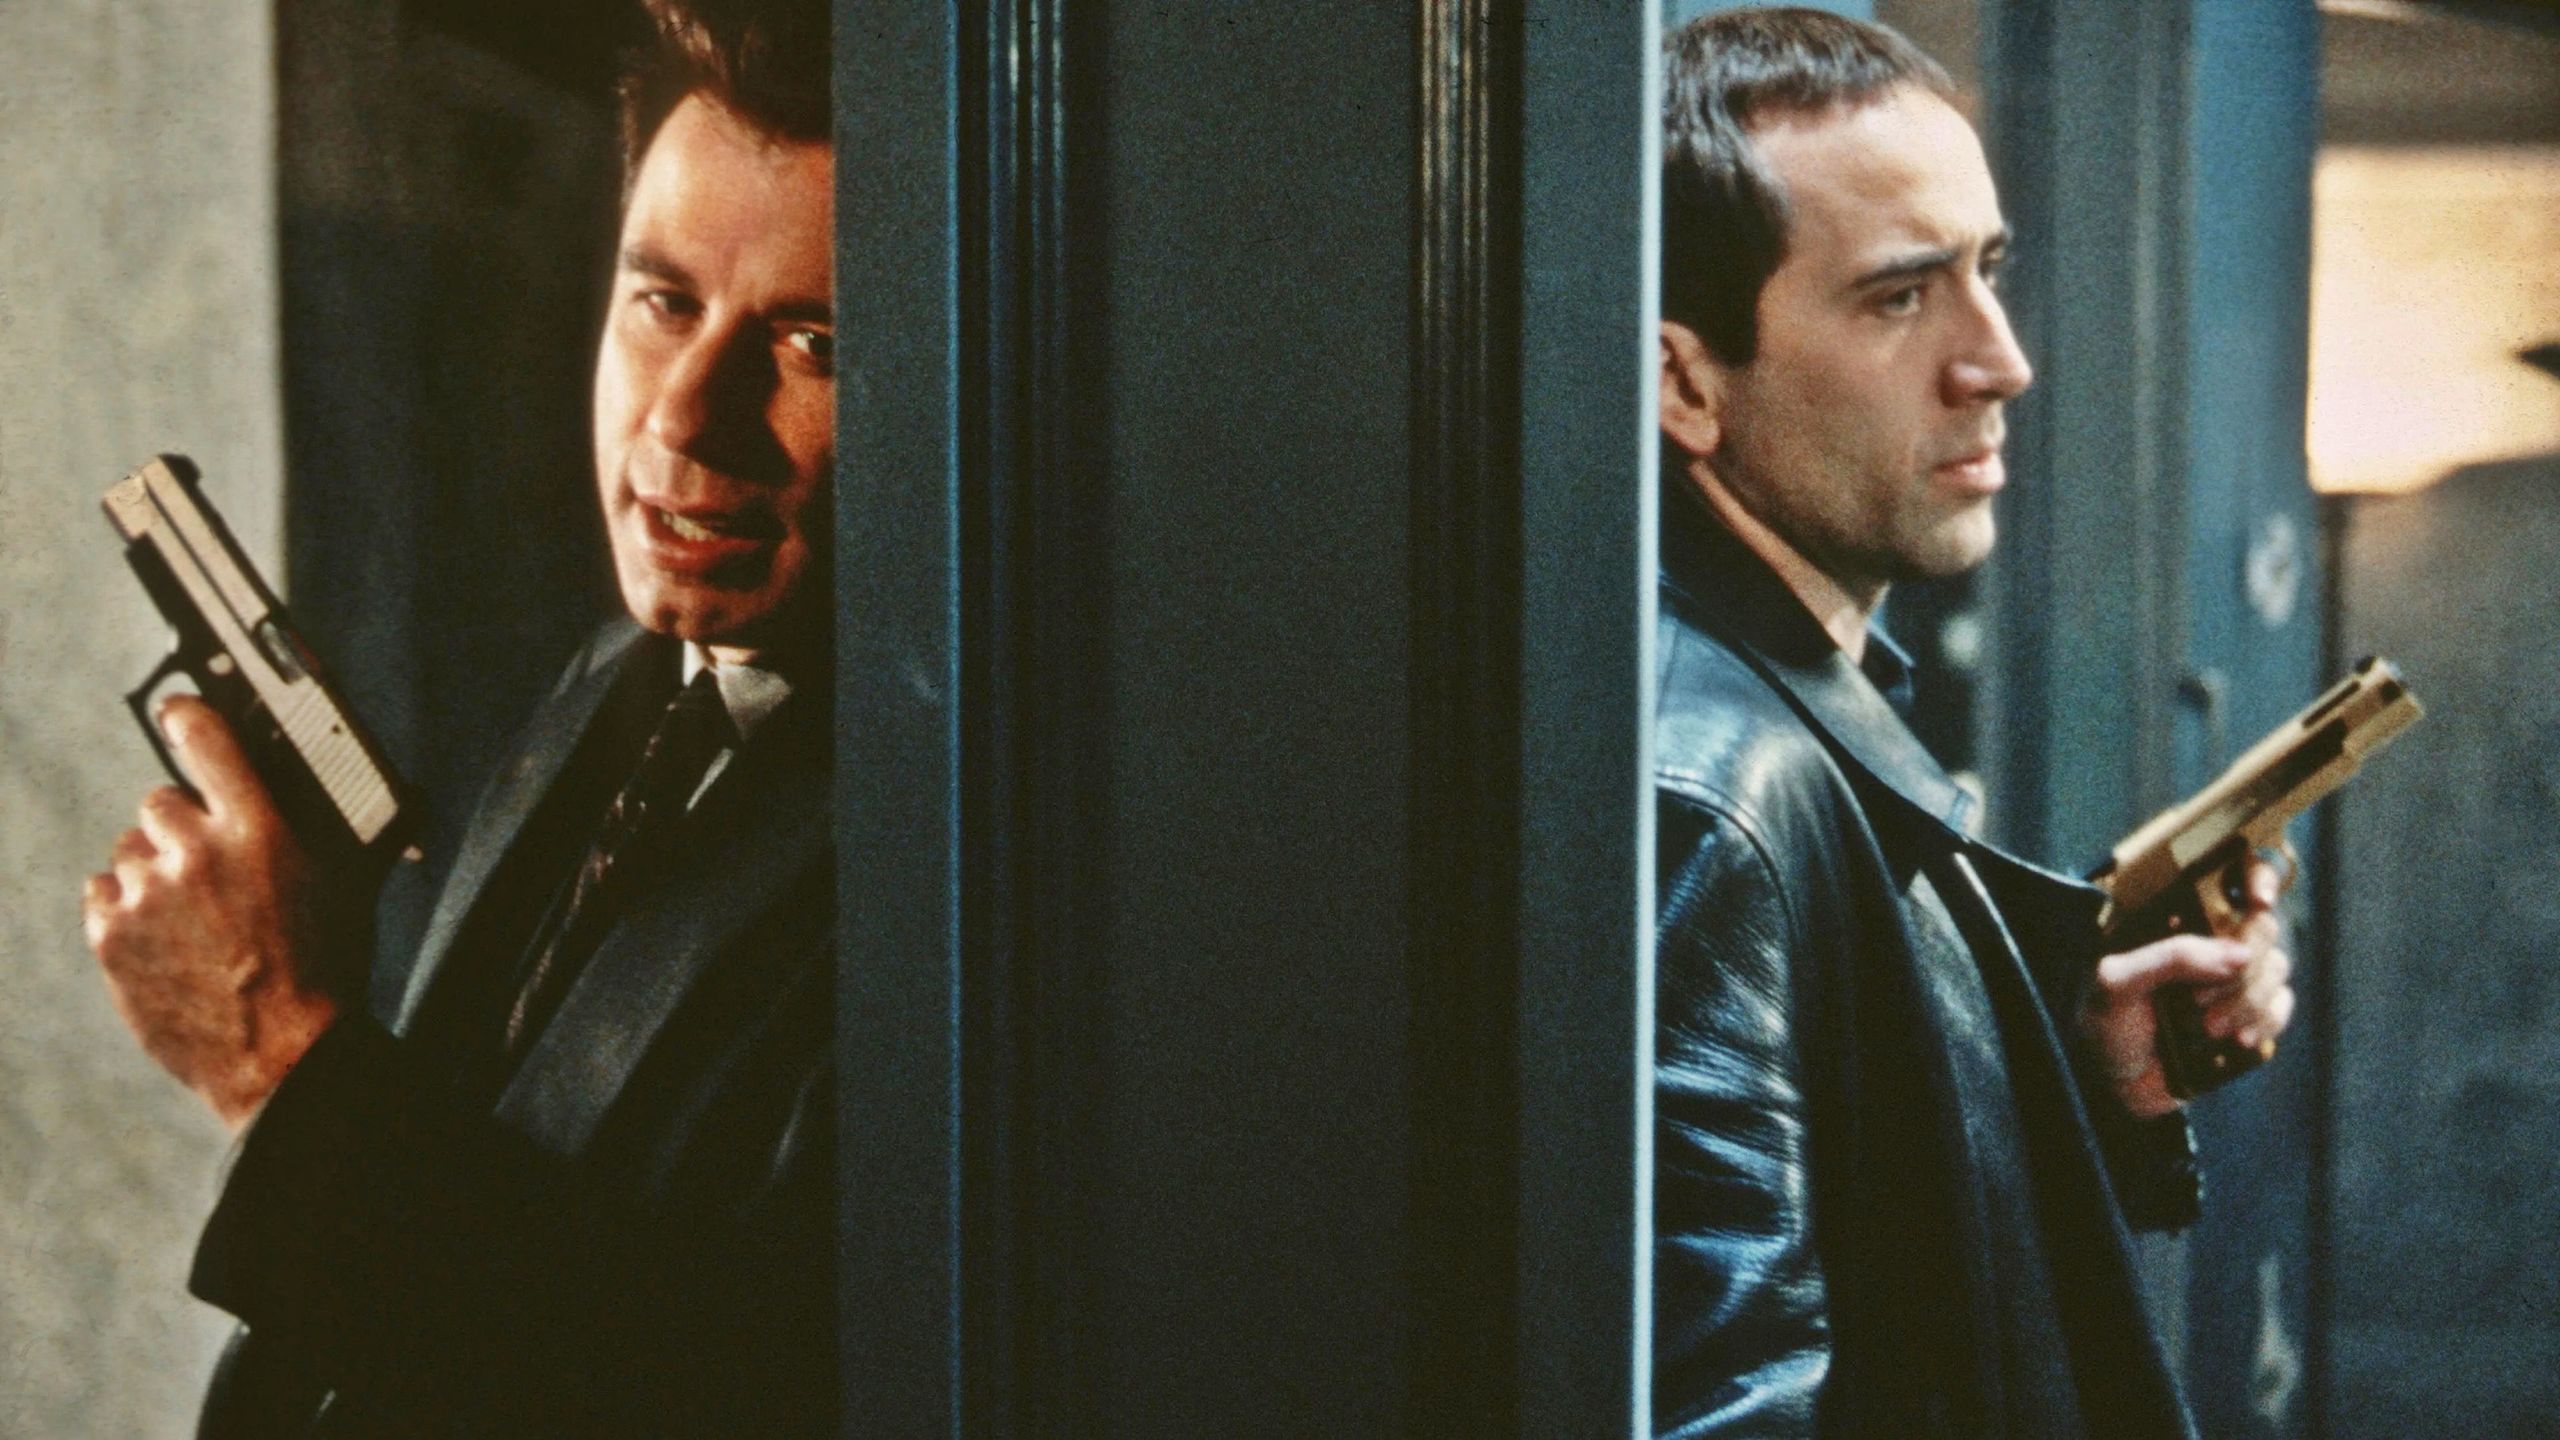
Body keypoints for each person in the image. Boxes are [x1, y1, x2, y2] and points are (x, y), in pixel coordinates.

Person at [81, 0, 839, 1433]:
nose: (684, 418)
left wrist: (275, 1049)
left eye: (814, 344)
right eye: (665, 303)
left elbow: (703, 1392)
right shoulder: (620, 680)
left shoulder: (962, 846)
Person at [1650, 11, 2293, 1438]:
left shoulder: (1791, 717)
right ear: (1686, 384)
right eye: (1899, 298)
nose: (1999, 361)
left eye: (1987, 271)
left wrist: (2073, 1085)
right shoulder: (1711, 786)